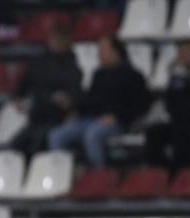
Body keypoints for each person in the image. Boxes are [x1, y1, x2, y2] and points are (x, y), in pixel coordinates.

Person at [48, 35, 150, 168]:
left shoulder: (133, 76)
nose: (99, 55)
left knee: (93, 135)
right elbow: (91, 101)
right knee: (57, 135)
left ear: (116, 52)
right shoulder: (99, 74)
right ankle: (62, 174)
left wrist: (117, 117)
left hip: (118, 122)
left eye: (103, 50)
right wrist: (76, 112)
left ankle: (98, 177)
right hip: (92, 119)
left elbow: (141, 105)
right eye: (99, 51)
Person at [12, 23, 82, 157]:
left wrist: (70, 103)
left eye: (60, 39)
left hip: (57, 118)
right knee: (17, 144)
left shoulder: (72, 65)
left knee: (37, 143)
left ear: (68, 41)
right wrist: (18, 96)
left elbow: (76, 92)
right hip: (37, 116)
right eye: (54, 39)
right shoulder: (39, 62)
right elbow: (25, 82)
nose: (56, 43)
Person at [145, 40, 190, 170]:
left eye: (187, 52)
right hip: (180, 120)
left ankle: (187, 170)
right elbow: (170, 100)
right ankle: (162, 172)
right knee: (154, 132)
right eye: (181, 53)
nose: (184, 56)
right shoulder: (177, 76)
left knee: (186, 130)